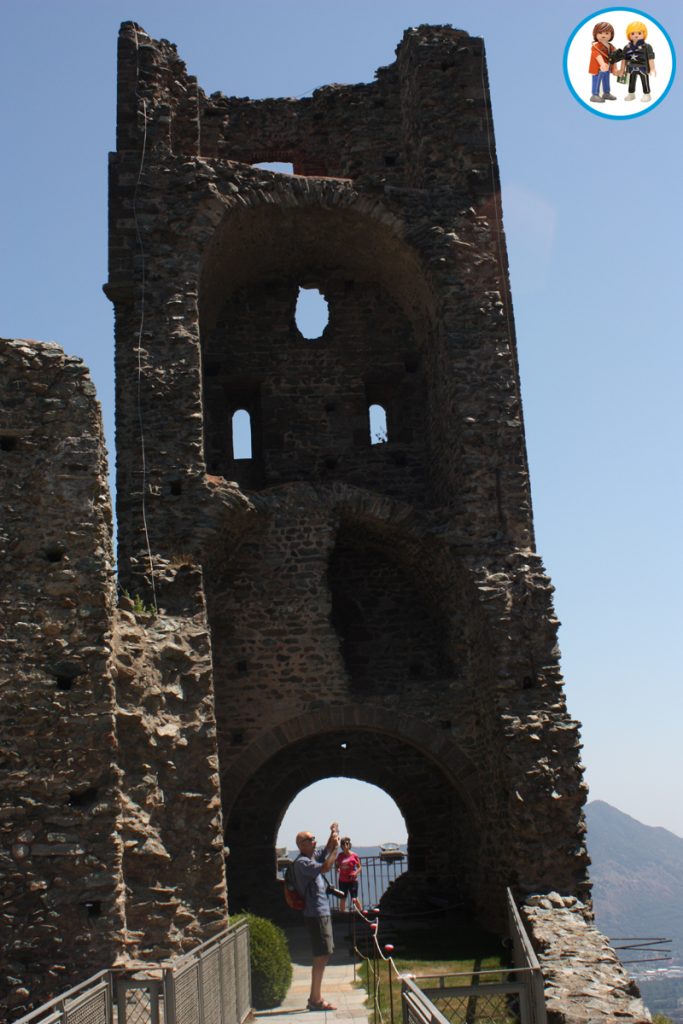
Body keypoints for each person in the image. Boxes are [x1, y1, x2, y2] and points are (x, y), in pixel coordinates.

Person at [292, 822, 340, 1011]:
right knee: (321, 954)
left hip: (321, 911)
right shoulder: (303, 863)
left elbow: (326, 848)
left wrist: (334, 832)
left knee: (324, 953)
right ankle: (315, 999)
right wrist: (336, 850)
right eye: (310, 839)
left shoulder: (311, 856)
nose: (314, 841)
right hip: (315, 913)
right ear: (301, 844)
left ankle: (315, 997)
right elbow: (326, 866)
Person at [619, 21, 656, 103]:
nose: (636, 35)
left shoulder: (647, 46)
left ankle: (647, 94)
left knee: (644, 80)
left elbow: (651, 58)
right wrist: (622, 69)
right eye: (632, 33)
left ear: (644, 34)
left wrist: (652, 68)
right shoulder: (627, 47)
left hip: (643, 67)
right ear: (629, 35)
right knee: (631, 81)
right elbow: (624, 59)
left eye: (639, 33)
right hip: (631, 68)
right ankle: (631, 93)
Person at [588, 21, 617, 103]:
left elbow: (615, 57)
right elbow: (597, 55)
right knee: (597, 79)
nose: (603, 35)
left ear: (611, 35)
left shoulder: (611, 46)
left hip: (607, 67)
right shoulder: (595, 46)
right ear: (595, 34)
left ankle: (606, 93)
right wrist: (602, 63)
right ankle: (595, 94)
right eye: (600, 33)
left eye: (607, 33)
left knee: (606, 79)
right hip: (598, 68)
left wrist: (615, 68)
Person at [335, 838, 362, 913]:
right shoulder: (340, 856)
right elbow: (336, 865)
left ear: (349, 845)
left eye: (346, 844)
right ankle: (342, 914)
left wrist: (355, 873)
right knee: (342, 898)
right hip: (342, 880)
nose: (345, 846)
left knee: (355, 898)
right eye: (343, 844)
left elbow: (359, 867)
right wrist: (337, 869)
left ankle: (361, 912)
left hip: (352, 880)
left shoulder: (354, 855)